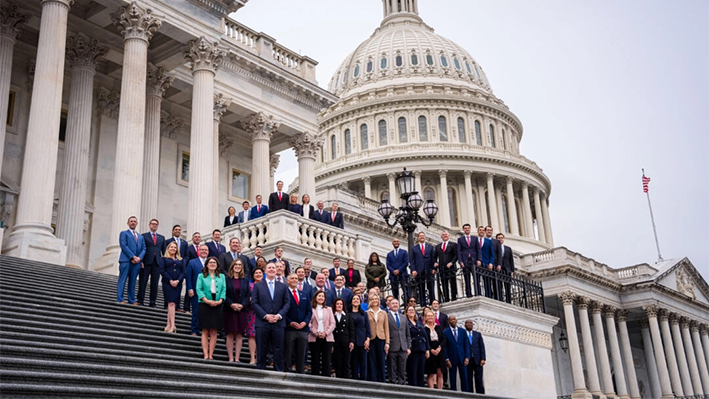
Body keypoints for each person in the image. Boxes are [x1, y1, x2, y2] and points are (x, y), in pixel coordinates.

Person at [251, 262, 291, 371]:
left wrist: (279, 315)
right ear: (265, 270)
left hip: (278, 323)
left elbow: (287, 303)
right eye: (269, 268)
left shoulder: (283, 286)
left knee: (278, 348)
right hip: (262, 322)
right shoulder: (258, 286)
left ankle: (279, 371)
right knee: (261, 348)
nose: (272, 269)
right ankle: (261, 371)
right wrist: (265, 315)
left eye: (274, 268)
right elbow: (254, 303)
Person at [196, 256, 226, 360]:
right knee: (205, 330)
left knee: (214, 331)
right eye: (210, 262)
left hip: (217, 305)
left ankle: (211, 354)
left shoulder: (221, 276)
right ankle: (205, 354)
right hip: (205, 305)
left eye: (214, 262)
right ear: (207, 264)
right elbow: (199, 289)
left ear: (217, 265)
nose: (212, 264)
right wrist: (207, 301)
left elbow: (223, 290)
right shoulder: (201, 276)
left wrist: (220, 301)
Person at [224, 259, 251, 362]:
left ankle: (237, 358)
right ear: (232, 266)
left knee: (239, 334)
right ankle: (231, 358)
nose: (238, 266)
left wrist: (242, 305)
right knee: (230, 333)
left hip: (241, 310)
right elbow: (224, 292)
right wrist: (231, 304)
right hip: (229, 309)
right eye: (236, 264)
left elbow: (247, 294)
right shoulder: (227, 279)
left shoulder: (245, 280)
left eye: (240, 265)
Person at [284, 273, 312, 374]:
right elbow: (283, 310)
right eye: (292, 278)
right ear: (288, 281)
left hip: (303, 329)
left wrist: (305, 322)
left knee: (302, 352)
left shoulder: (304, 294)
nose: (295, 280)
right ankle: (287, 370)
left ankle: (301, 372)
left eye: (296, 278)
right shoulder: (284, 293)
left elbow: (309, 311)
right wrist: (290, 322)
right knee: (288, 351)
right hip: (290, 328)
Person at [117, 216, 146, 305]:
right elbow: (124, 246)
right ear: (128, 223)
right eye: (131, 221)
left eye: (134, 221)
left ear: (137, 223)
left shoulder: (140, 236)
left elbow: (144, 248)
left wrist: (139, 258)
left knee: (133, 281)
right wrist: (133, 257)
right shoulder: (124, 233)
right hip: (126, 260)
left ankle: (132, 299)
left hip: (137, 263)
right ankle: (120, 298)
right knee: (123, 280)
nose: (133, 223)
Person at [158, 241, 184, 333]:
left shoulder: (180, 260)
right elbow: (162, 270)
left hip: (178, 283)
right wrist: (170, 280)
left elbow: (183, 271)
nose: (173, 249)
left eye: (174, 247)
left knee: (173, 304)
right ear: (168, 249)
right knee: (170, 303)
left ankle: (169, 324)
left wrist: (178, 280)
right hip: (168, 283)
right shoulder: (164, 259)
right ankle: (172, 325)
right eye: (171, 247)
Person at [308, 290, 336, 377]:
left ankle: (326, 380)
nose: (321, 298)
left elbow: (333, 323)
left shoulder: (329, 309)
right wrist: (316, 333)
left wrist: (325, 333)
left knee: (326, 360)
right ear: (315, 297)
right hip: (314, 337)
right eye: (319, 296)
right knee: (315, 359)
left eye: (323, 296)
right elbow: (309, 323)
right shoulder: (311, 309)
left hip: (327, 337)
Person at [138, 218, 164, 307]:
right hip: (146, 262)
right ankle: (140, 300)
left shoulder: (161, 238)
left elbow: (164, 252)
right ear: (149, 225)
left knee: (155, 284)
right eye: (153, 224)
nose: (154, 225)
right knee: (143, 282)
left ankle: (152, 302)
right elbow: (140, 249)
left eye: (156, 224)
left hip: (157, 263)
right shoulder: (144, 236)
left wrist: (162, 263)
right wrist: (140, 260)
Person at [185, 244, 209, 336]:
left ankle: (204, 330)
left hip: (208, 292)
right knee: (196, 311)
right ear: (198, 251)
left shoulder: (211, 263)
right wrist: (189, 288)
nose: (204, 251)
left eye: (206, 250)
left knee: (206, 312)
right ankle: (194, 330)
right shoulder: (192, 262)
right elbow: (188, 276)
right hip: (195, 291)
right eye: (202, 249)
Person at [365, 294, 389, 382]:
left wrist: (387, 342)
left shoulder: (383, 313)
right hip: (371, 338)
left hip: (381, 338)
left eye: (376, 299)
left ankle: (382, 380)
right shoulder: (367, 313)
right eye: (373, 299)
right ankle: (373, 380)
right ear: (370, 301)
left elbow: (386, 328)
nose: (374, 300)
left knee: (381, 360)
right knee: (372, 360)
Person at [386, 298, 410, 385]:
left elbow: (407, 333)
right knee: (392, 368)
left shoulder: (403, 317)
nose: (395, 305)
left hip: (403, 347)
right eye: (393, 303)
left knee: (402, 369)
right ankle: (393, 385)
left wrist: (408, 347)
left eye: (396, 303)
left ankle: (402, 385)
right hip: (392, 346)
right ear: (389, 305)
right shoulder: (386, 316)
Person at [444, 315, 470, 392]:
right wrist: (447, 359)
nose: (453, 321)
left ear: (456, 320)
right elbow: (445, 346)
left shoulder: (463, 331)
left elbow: (466, 345)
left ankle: (466, 394)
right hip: (452, 358)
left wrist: (467, 357)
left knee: (464, 377)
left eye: (454, 319)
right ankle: (453, 393)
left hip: (462, 357)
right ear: (448, 322)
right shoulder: (445, 332)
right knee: (452, 378)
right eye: (451, 320)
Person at [405, 304, 429, 387]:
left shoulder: (419, 322)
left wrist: (427, 349)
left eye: (413, 310)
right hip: (412, 349)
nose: (412, 312)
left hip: (421, 348)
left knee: (420, 371)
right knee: (413, 371)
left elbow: (425, 336)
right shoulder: (406, 322)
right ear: (406, 313)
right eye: (410, 310)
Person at [409, 232, 436, 306]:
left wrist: (434, 268)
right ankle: (422, 303)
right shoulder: (414, 248)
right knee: (421, 287)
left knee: (431, 286)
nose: (422, 237)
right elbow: (412, 260)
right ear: (418, 238)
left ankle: (432, 302)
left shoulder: (430, 247)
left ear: (425, 237)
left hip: (429, 270)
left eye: (423, 236)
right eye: (420, 236)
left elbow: (433, 259)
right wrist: (413, 270)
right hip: (419, 271)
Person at [423, 308, 446, 389]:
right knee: (430, 373)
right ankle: (432, 391)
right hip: (430, 350)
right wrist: (430, 349)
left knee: (440, 372)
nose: (430, 317)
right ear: (425, 318)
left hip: (439, 350)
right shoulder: (424, 329)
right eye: (428, 316)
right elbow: (425, 340)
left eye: (431, 316)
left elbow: (443, 338)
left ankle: (440, 391)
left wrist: (439, 347)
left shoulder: (438, 327)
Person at [349, 294, 371, 380]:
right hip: (352, 341)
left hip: (362, 340)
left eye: (357, 299)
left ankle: (363, 381)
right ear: (351, 301)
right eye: (354, 299)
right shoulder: (348, 314)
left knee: (363, 363)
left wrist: (368, 340)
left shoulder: (364, 314)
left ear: (360, 301)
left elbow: (368, 328)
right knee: (353, 362)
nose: (355, 300)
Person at [332, 297, 354, 378]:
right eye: (337, 304)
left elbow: (351, 329)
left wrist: (352, 341)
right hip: (336, 341)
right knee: (337, 362)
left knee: (346, 362)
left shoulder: (347, 316)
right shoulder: (332, 315)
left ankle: (346, 380)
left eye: (341, 304)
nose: (339, 305)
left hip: (346, 341)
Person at [457, 223, 480, 298]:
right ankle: (468, 294)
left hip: (474, 260)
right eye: (465, 228)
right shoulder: (460, 239)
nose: (467, 229)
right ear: (463, 230)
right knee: (467, 279)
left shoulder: (475, 238)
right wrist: (460, 261)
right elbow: (459, 251)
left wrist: (479, 259)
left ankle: (478, 292)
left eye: (468, 228)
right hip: (465, 261)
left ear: (470, 229)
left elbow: (478, 250)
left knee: (476, 278)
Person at [246, 268, 264, 364]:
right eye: (256, 273)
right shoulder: (249, 286)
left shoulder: (266, 286)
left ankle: (260, 358)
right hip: (251, 313)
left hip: (263, 313)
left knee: (262, 336)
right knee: (252, 335)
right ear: (253, 275)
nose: (258, 274)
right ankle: (253, 357)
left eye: (260, 273)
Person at [434, 230, 458, 302]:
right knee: (444, 283)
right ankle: (446, 298)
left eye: (446, 235)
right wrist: (435, 262)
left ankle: (454, 297)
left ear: (448, 236)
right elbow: (434, 256)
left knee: (452, 283)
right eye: (443, 235)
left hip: (451, 267)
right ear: (441, 237)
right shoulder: (438, 246)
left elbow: (456, 255)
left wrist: (451, 262)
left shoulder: (453, 245)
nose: (445, 236)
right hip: (442, 268)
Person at [465, 319, 486, 394]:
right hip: (468, 360)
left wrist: (483, 358)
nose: (469, 324)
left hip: (477, 359)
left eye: (471, 323)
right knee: (469, 378)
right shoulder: (463, 334)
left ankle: (480, 394)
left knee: (479, 378)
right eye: (467, 323)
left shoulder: (478, 334)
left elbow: (482, 346)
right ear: (465, 325)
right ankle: (470, 394)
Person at [477, 226, 496, 298]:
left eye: (482, 230)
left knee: (487, 281)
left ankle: (488, 295)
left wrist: (491, 263)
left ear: (484, 232)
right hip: (477, 263)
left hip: (486, 263)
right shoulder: (475, 240)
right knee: (477, 280)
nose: (481, 231)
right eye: (480, 230)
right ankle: (478, 294)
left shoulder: (488, 241)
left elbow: (492, 254)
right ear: (478, 232)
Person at [496, 233, 515, 303]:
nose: (500, 239)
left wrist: (512, 271)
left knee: (507, 286)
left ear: (503, 239)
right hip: (499, 268)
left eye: (501, 238)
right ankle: (500, 299)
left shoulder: (508, 248)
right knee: (499, 285)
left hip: (507, 269)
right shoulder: (495, 248)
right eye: (499, 238)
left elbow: (511, 260)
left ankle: (508, 301)